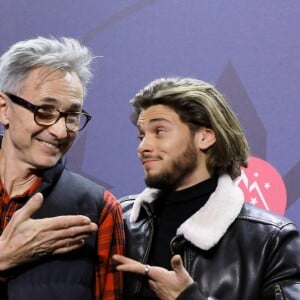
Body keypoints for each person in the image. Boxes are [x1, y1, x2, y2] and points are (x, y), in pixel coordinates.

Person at [113, 77, 300, 299]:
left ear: (205, 136)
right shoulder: (119, 218)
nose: (143, 147)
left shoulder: (271, 239)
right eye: (141, 135)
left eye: (160, 131)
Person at [0, 37, 125, 300]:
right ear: (4, 109)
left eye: (71, 116)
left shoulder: (99, 209)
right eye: (44, 111)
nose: (60, 131)